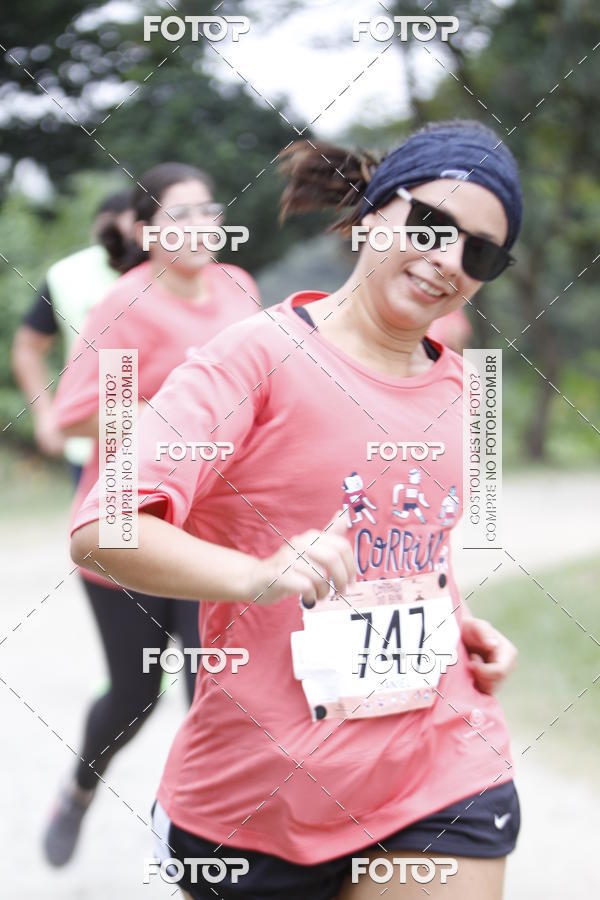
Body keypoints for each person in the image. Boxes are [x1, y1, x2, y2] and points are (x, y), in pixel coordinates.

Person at [70, 120, 521, 900]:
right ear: (379, 208)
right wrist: (256, 574)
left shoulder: (469, 388)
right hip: (256, 803)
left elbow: (413, 541)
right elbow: (104, 529)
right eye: (431, 225)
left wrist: (455, 618)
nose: (448, 260)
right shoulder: (250, 355)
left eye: (479, 252)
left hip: (442, 768)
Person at [44, 162, 260, 867]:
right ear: (146, 232)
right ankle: (78, 793)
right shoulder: (125, 304)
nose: (201, 227)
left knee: (214, 691)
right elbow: (77, 410)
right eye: (182, 216)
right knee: (135, 697)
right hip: (128, 528)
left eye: (210, 211)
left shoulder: (238, 288)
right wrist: (169, 412)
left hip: (213, 533)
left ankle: (201, 843)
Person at [11, 191, 134, 479]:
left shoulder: (172, 271)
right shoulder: (68, 274)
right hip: (90, 441)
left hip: (173, 440)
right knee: (110, 525)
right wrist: (45, 415)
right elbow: (28, 347)